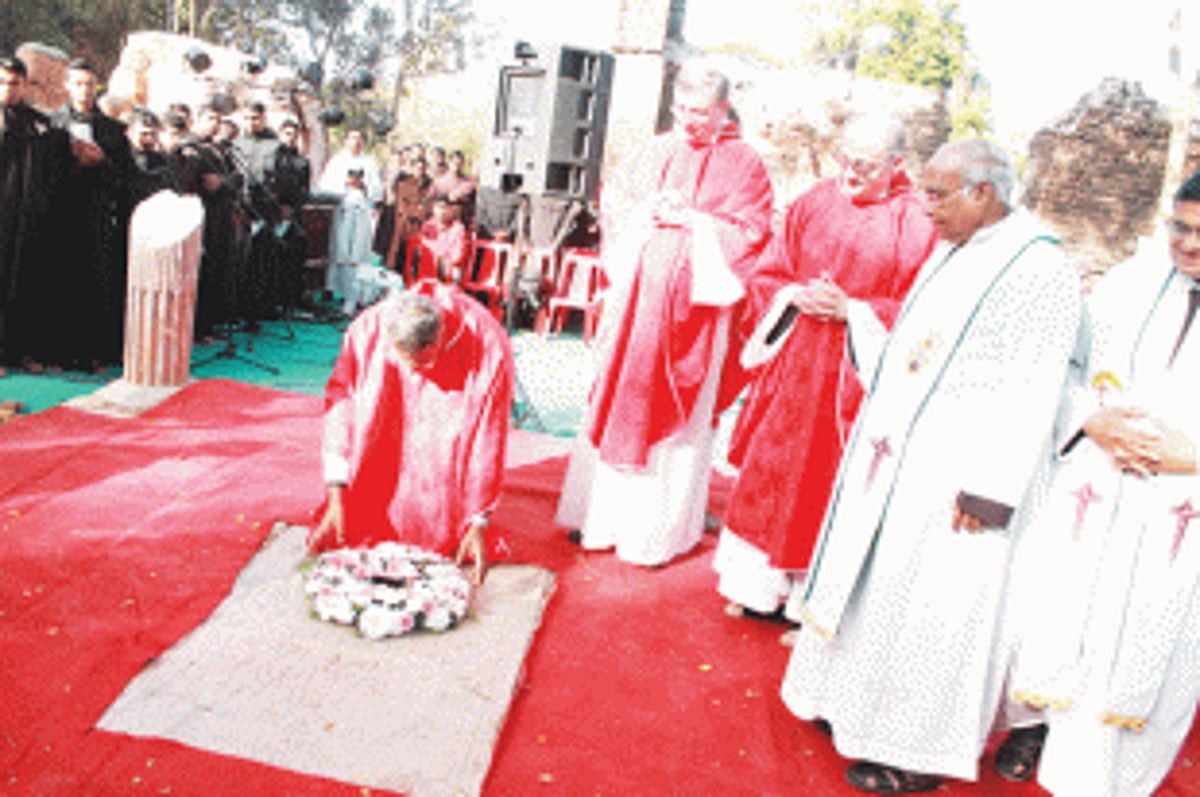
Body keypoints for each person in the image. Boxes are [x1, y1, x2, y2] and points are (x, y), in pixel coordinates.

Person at [777, 139, 1083, 793]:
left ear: (984, 191)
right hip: (903, 461)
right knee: (886, 596)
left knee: (940, 613)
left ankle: (918, 750)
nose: (925, 207)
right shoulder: (954, 248)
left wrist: (991, 490)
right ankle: (857, 712)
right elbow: (916, 343)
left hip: (965, 482)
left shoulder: (1038, 268)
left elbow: (1035, 386)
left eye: (939, 194)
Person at [998, 172, 1200, 796]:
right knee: (1058, 615)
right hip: (1098, 489)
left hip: (1180, 514)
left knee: (1143, 656)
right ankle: (1035, 725)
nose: (1187, 246)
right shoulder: (1128, 286)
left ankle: (1114, 783)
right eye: (1180, 228)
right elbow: (1065, 367)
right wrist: (1092, 418)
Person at [713, 113, 937, 632]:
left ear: (896, 163)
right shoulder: (814, 201)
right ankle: (755, 590)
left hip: (853, 380)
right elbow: (769, 272)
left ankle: (806, 606)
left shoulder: (915, 222)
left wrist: (857, 310)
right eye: (844, 157)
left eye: (864, 163)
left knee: (828, 483)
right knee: (770, 472)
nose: (849, 172)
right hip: (794, 364)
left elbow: (924, 311)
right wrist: (793, 294)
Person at [554, 57, 773, 567]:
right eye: (682, 108)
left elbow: (752, 233)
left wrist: (694, 223)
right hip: (635, 310)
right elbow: (616, 204)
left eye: (701, 111)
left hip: (693, 314)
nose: (689, 120)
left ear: (723, 109)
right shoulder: (655, 149)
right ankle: (601, 520)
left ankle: (656, 534)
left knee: (679, 422)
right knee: (617, 398)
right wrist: (645, 215)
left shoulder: (746, 164)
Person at [308, 280, 515, 586]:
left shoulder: (487, 343)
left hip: (447, 431)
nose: (419, 373)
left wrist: (478, 519)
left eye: (426, 362)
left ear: (442, 337)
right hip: (386, 427)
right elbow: (341, 406)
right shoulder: (366, 332)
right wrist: (336, 490)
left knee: (444, 499)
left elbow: (488, 436)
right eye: (410, 364)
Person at [52, 58, 136, 370]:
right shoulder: (51, 124)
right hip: (59, 215)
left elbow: (127, 176)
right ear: (66, 85)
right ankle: (59, 352)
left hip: (99, 215)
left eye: (89, 84)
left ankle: (94, 353)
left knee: (97, 280)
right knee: (59, 281)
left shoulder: (113, 130)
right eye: (77, 83)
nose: (84, 90)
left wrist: (101, 162)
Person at [0, 56, 77, 373]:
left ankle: (20, 351)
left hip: (28, 218)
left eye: (14, 83)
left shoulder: (38, 123)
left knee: (27, 280)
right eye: (2, 82)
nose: (8, 89)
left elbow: (58, 164)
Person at [318, 127, 382, 314]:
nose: (356, 142)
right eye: (352, 138)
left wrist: (363, 186)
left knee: (357, 254)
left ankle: (354, 296)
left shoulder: (369, 163)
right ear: (346, 141)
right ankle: (332, 289)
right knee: (340, 251)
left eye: (359, 138)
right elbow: (326, 187)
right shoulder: (337, 162)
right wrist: (344, 184)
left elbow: (377, 191)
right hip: (342, 209)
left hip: (361, 212)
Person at [421, 194, 471, 284]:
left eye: (445, 208)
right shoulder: (427, 226)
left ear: (451, 210)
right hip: (427, 268)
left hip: (447, 271)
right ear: (433, 209)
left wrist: (441, 258)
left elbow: (458, 256)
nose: (442, 212)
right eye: (438, 208)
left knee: (455, 272)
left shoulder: (458, 229)